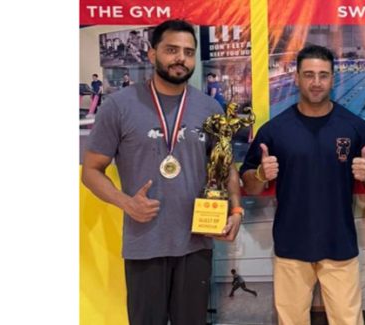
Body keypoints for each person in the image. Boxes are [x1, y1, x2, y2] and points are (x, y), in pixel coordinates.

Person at [81, 19, 244, 325]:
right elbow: (91, 171)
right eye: (171, 50)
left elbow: (226, 167)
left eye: (188, 51)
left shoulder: (210, 108)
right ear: (152, 53)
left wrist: (235, 209)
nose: (180, 58)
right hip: (145, 244)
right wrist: (126, 202)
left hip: (196, 242)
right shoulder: (118, 106)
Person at [240, 45, 365, 325]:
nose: (316, 82)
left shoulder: (355, 127)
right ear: (296, 78)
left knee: (348, 321)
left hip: (339, 243)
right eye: (309, 75)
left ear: (333, 79)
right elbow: (250, 184)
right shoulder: (274, 130)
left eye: (323, 75)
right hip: (290, 243)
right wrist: (260, 174)